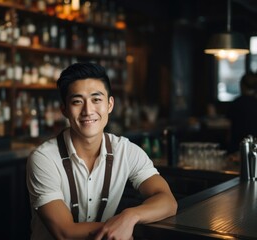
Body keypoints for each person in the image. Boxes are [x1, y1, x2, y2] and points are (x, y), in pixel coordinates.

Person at [26, 62, 177, 240]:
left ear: (110, 104)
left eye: (96, 99)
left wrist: (129, 217)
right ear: (64, 110)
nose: (88, 111)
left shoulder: (126, 151)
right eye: (77, 101)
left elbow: (168, 201)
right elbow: (64, 232)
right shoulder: (44, 159)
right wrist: (118, 229)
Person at [227, 73, 257, 153]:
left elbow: (229, 129)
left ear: (242, 85)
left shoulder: (236, 103)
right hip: (254, 147)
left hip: (237, 146)